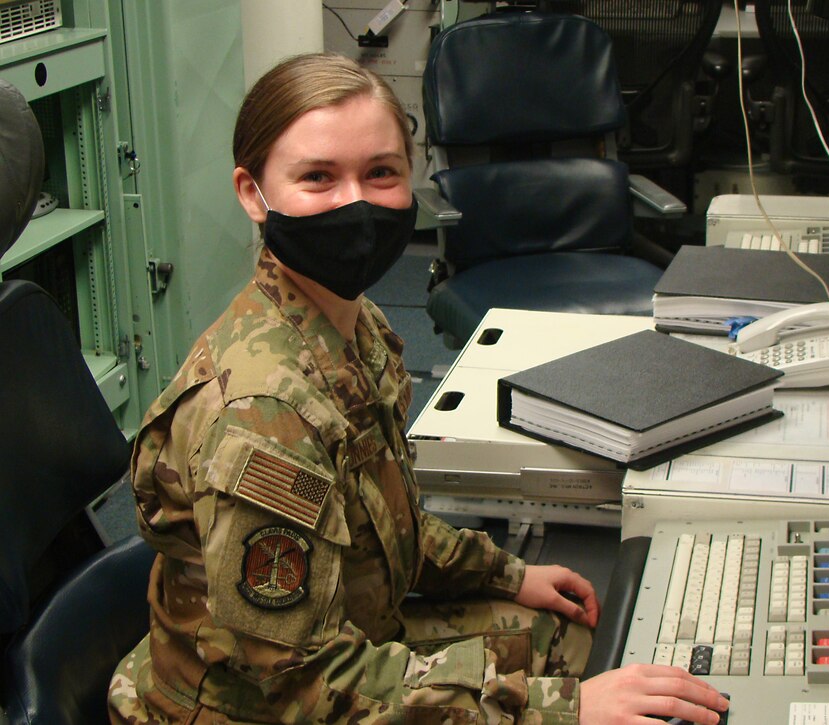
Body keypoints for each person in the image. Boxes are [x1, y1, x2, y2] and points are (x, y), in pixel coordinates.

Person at [108, 52, 729, 724]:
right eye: (318, 177)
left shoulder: (353, 322)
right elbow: (304, 687)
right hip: (247, 705)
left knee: (564, 638)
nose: (355, 202)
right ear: (252, 192)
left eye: (380, 173)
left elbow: (385, 524)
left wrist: (510, 572)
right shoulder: (264, 413)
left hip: (341, 635)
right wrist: (561, 711)